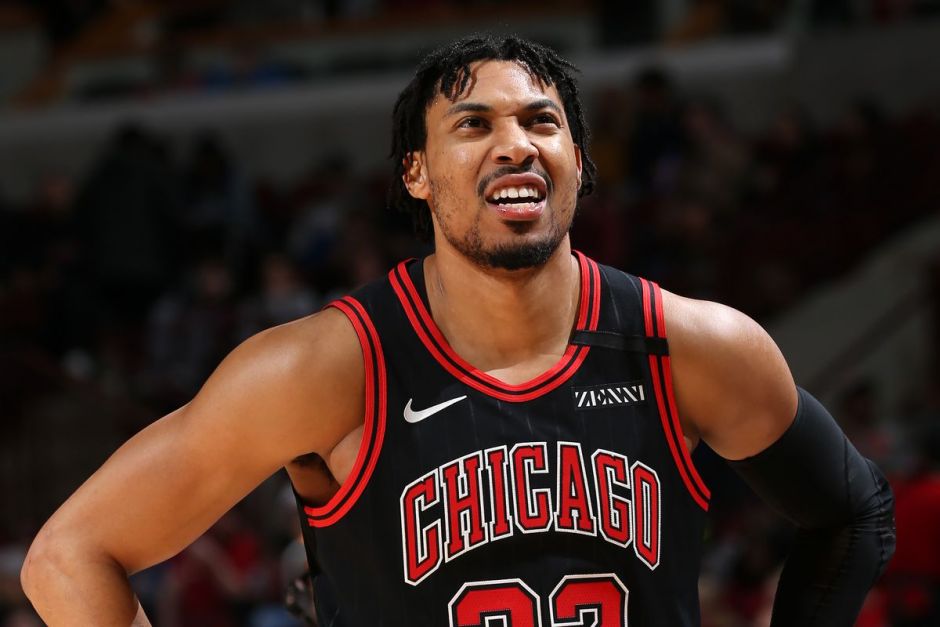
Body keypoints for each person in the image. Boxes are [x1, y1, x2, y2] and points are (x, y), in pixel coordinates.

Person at [21, 35, 895, 626]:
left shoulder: (693, 347)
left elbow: (854, 514)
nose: (515, 145)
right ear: (417, 172)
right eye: (473, 125)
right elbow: (69, 555)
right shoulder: (325, 368)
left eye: (541, 121)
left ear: (580, 163)